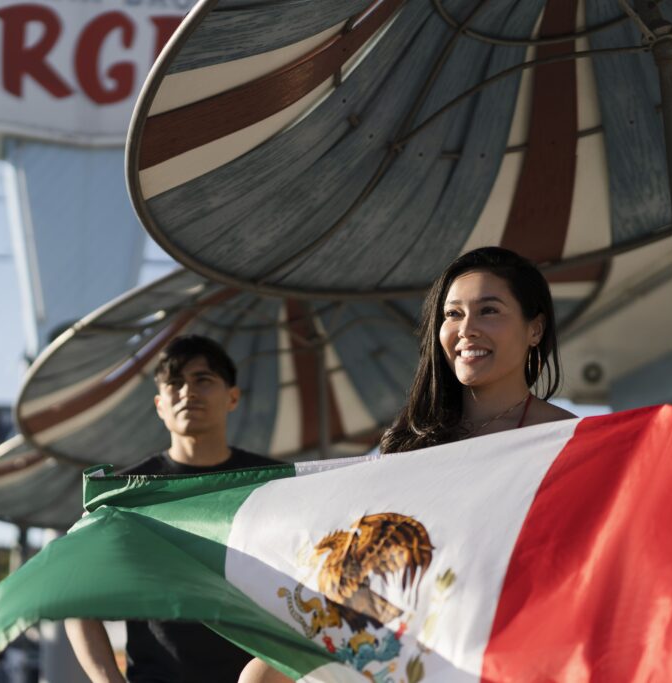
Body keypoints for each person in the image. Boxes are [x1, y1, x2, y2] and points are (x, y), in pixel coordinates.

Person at [237, 246, 575, 683]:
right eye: (452, 315)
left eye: (489, 311)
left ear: (535, 329)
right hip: (411, 624)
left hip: (514, 634)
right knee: (260, 675)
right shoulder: (410, 440)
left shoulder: (568, 439)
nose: (466, 329)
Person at [66, 335, 278, 683]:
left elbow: (316, 583)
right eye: (174, 383)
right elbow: (74, 596)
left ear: (233, 397)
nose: (187, 392)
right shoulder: (124, 496)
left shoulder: (272, 485)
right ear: (159, 404)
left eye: (203, 380)